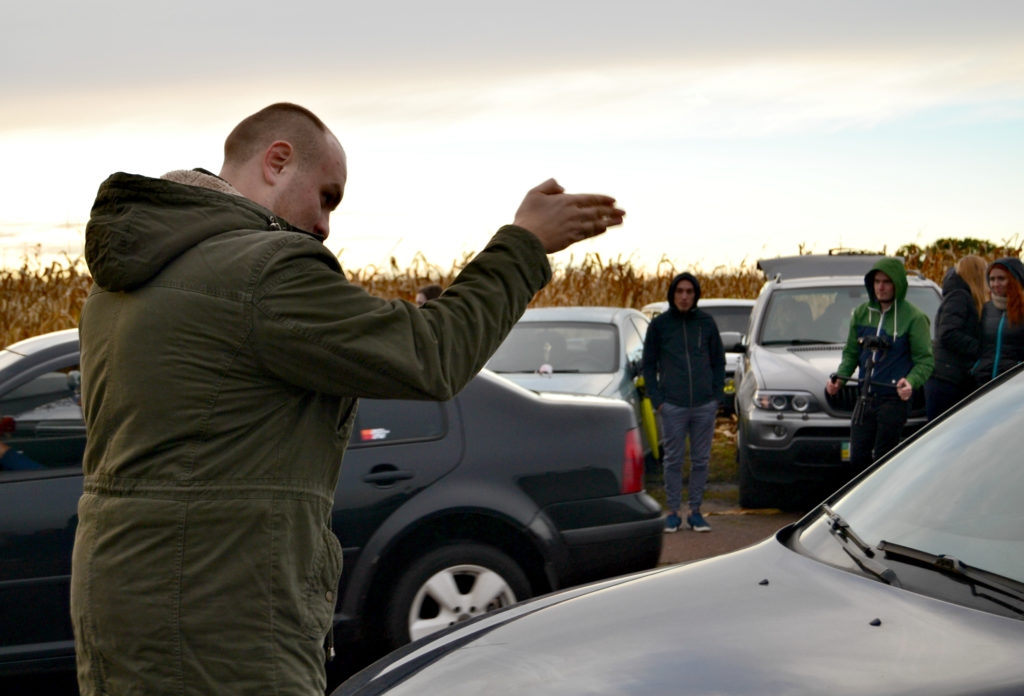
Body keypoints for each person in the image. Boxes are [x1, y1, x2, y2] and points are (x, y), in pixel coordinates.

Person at [71, 102, 624, 696]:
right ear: (277, 161)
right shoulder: (263, 271)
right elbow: (433, 355)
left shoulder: (123, 287)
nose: (326, 224)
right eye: (327, 196)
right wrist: (525, 244)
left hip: (124, 599)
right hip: (221, 614)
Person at [826, 258, 933, 471]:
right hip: (865, 398)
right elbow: (851, 353)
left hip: (894, 398)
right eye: (876, 282)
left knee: (885, 461)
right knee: (857, 459)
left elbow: (925, 361)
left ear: (898, 285)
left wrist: (910, 382)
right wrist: (840, 377)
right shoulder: (861, 313)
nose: (881, 287)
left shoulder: (914, 318)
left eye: (887, 282)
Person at [642, 272, 724, 533]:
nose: (685, 296)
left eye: (689, 292)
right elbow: (648, 365)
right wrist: (658, 400)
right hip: (673, 405)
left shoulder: (706, 324)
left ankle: (696, 512)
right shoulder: (660, 326)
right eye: (680, 292)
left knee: (701, 460)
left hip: (703, 405)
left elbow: (718, 361)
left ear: (695, 294)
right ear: (672, 294)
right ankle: (674, 512)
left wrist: (716, 396)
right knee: (673, 461)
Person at [923, 255, 987, 420]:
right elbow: (948, 333)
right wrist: (980, 348)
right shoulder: (959, 296)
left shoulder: (960, 295)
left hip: (949, 377)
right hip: (947, 379)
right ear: (976, 273)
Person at [973, 257, 1024, 387]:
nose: (995, 284)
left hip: (1013, 383)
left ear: (1014, 280)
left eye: (1001, 278)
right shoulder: (986, 308)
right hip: (984, 382)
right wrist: (977, 367)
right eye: (992, 279)